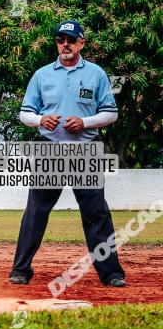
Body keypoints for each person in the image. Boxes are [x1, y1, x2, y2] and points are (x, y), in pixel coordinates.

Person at [11, 20, 125, 287]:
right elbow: (25, 113)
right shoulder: (42, 75)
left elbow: (111, 113)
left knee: (96, 214)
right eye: (61, 39)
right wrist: (41, 120)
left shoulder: (96, 74)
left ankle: (111, 274)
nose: (65, 44)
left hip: (85, 153)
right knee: (35, 212)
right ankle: (20, 270)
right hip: (49, 152)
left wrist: (84, 123)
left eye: (71, 40)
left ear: (81, 43)